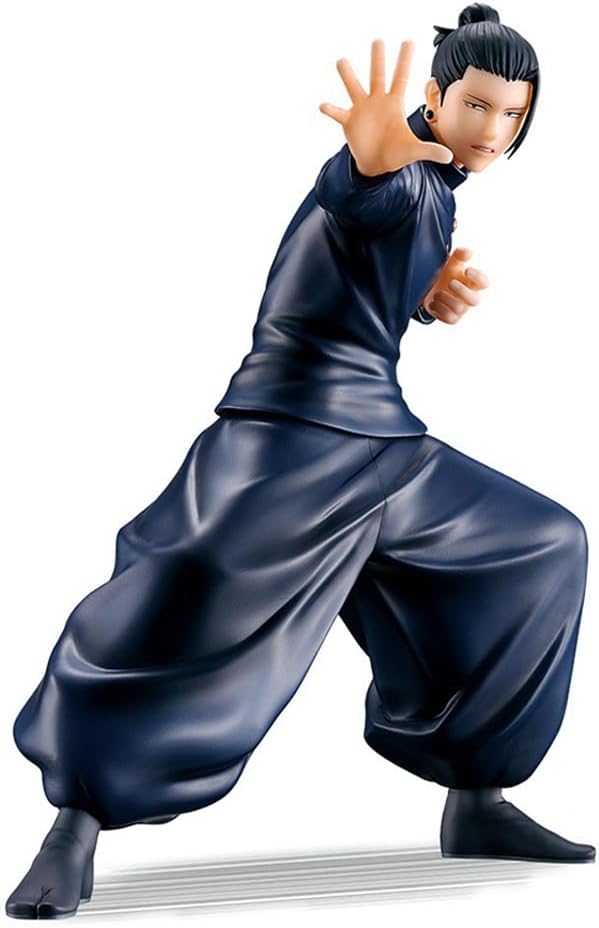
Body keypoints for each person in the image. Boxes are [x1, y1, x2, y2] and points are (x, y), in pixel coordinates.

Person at [6, 3, 595, 920]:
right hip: (289, 436)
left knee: (538, 547)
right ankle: (72, 826)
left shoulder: (435, 186)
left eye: (511, 114)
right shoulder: (399, 170)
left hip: (383, 444)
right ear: (434, 98)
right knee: (188, 592)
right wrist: (368, 159)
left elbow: (363, 254)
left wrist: (421, 295)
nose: (492, 130)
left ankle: (475, 795)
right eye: (476, 106)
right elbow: (362, 194)